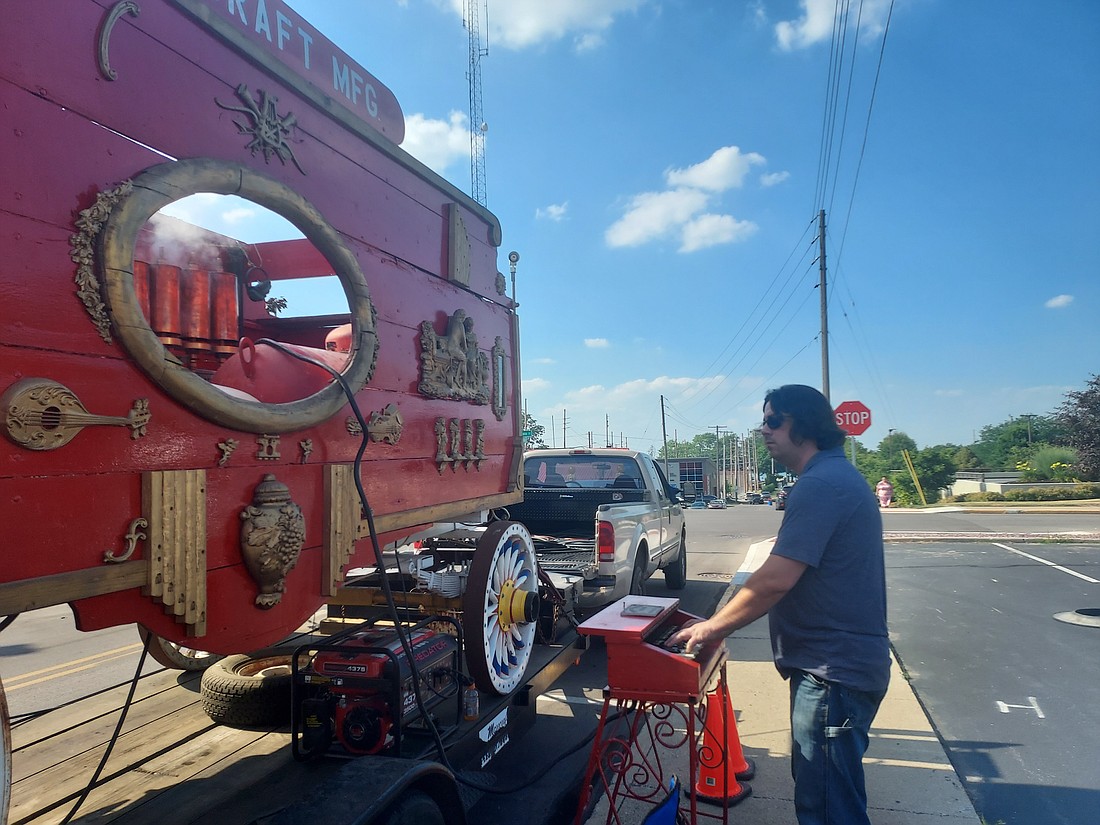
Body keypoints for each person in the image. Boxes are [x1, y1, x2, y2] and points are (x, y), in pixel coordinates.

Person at [669, 384, 890, 825]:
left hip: (832, 674)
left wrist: (711, 628)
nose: (763, 431)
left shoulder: (822, 484)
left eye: (773, 420)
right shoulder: (833, 478)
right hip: (838, 669)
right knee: (829, 798)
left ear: (803, 425)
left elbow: (775, 580)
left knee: (827, 809)